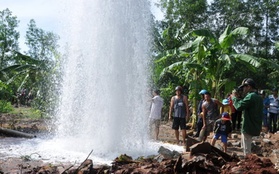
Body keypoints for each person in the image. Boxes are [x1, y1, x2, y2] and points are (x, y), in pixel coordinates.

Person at [231, 78, 263, 156]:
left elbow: (239, 107)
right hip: (254, 125)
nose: (243, 89)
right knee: (245, 146)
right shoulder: (258, 97)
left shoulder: (250, 96)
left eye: (244, 87)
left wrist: (234, 98)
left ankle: (248, 165)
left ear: (248, 87)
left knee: (246, 149)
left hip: (248, 126)